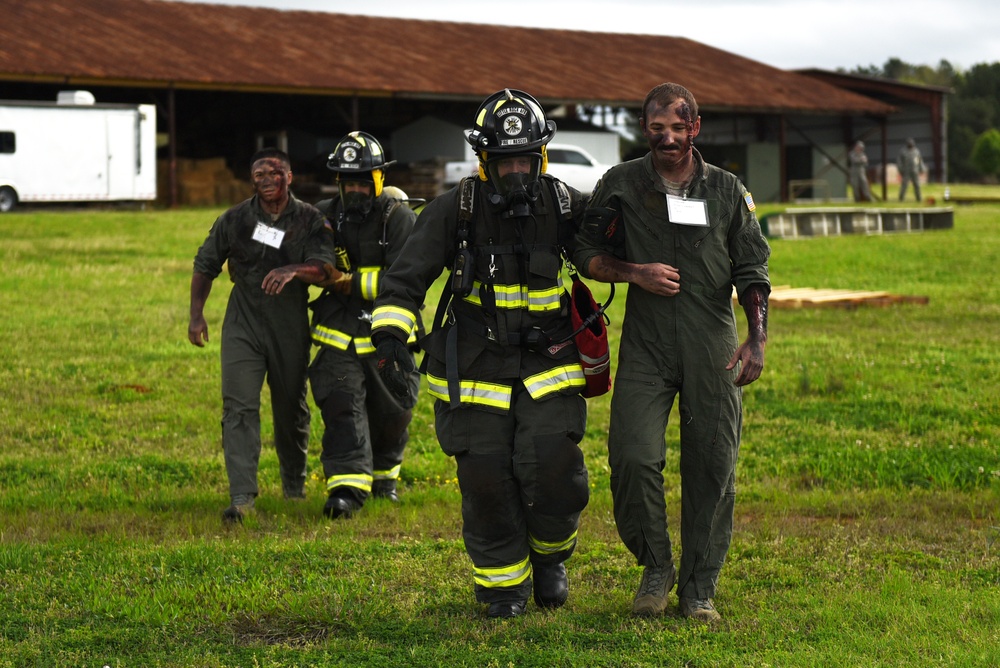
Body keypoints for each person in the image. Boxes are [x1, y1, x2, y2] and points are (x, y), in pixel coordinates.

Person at [369, 89, 591, 619]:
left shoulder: (563, 205)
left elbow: (618, 242)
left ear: (541, 157)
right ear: (483, 161)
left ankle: (550, 560)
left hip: (548, 365)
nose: (516, 172)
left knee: (555, 471)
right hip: (473, 370)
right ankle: (501, 588)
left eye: (525, 160)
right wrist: (392, 335)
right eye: (504, 161)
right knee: (487, 479)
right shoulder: (455, 210)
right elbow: (404, 280)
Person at [573, 82, 770, 623]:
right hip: (647, 342)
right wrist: (634, 271)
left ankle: (699, 588)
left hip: (713, 343)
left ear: (695, 128)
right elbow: (585, 250)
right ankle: (656, 569)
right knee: (633, 455)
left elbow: (753, 270)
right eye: (657, 129)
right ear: (645, 129)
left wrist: (757, 336)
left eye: (678, 129)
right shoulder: (621, 184)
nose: (667, 139)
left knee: (712, 463)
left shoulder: (728, 191)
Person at [188, 148, 337, 523]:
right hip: (244, 317)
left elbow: (325, 269)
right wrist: (196, 315)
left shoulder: (310, 219)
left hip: (289, 319)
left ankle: (293, 487)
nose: (267, 181)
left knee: (290, 406)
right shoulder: (236, 219)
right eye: (259, 176)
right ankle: (242, 498)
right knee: (238, 406)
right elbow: (206, 264)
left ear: (290, 176)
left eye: (275, 173)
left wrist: (293, 269)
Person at [308, 131, 420, 519]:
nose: (354, 188)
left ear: (378, 179)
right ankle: (346, 489)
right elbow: (317, 263)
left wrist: (346, 281)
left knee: (394, 412)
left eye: (362, 180)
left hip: (389, 331)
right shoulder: (323, 213)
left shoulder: (400, 218)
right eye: (348, 181)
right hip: (337, 332)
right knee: (341, 405)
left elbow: (403, 279)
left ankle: (384, 479)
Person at [897, 138, 926, 202]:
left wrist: (921, 168)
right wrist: (900, 169)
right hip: (906, 171)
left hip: (914, 171)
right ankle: (901, 198)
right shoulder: (903, 151)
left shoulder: (916, 151)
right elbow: (899, 162)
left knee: (917, 185)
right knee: (904, 185)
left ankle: (919, 198)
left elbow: (919, 161)